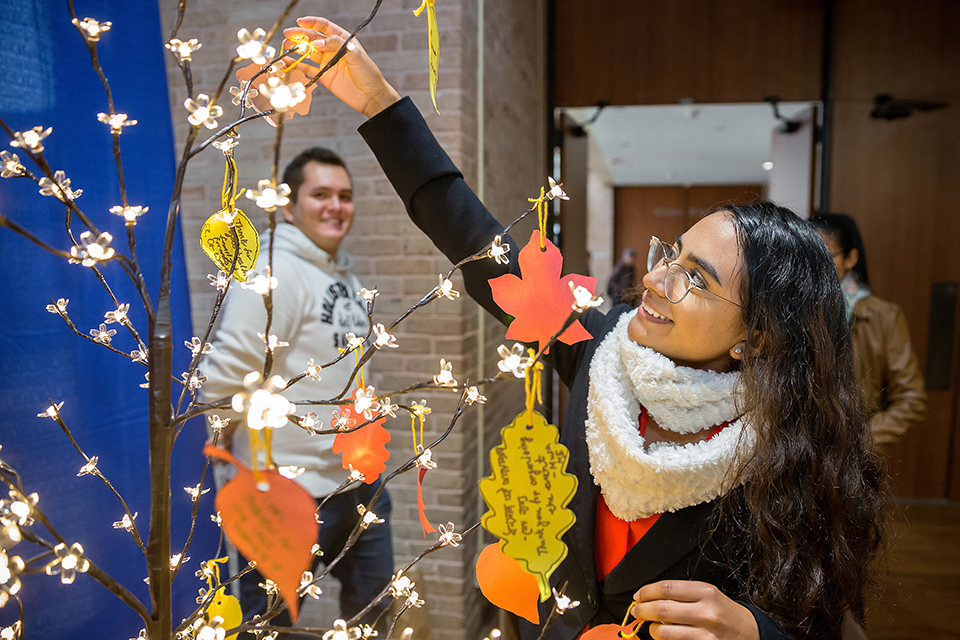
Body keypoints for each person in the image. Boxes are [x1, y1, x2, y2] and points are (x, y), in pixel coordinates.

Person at [283, 18, 885, 639]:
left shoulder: (786, 456)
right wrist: (381, 101)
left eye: (697, 279)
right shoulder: (602, 347)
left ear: (755, 338)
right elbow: (478, 242)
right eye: (671, 255)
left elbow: (829, 622)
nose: (656, 280)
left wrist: (758, 634)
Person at [201, 147, 393, 632]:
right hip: (286, 494)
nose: (336, 206)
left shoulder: (340, 272)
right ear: (290, 206)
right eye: (321, 194)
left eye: (345, 196)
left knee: (371, 622)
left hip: (358, 484)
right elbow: (221, 375)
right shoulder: (275, 271)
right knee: (269, 628)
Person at [810, 213, 926, 451]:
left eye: (825, 256)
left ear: (850, 258)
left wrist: (862, 441)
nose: (815, 267)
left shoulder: (882, 316)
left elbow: (910, 398)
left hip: (851, 459)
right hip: (795, 456)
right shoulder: (793, 311)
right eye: (809, 257)